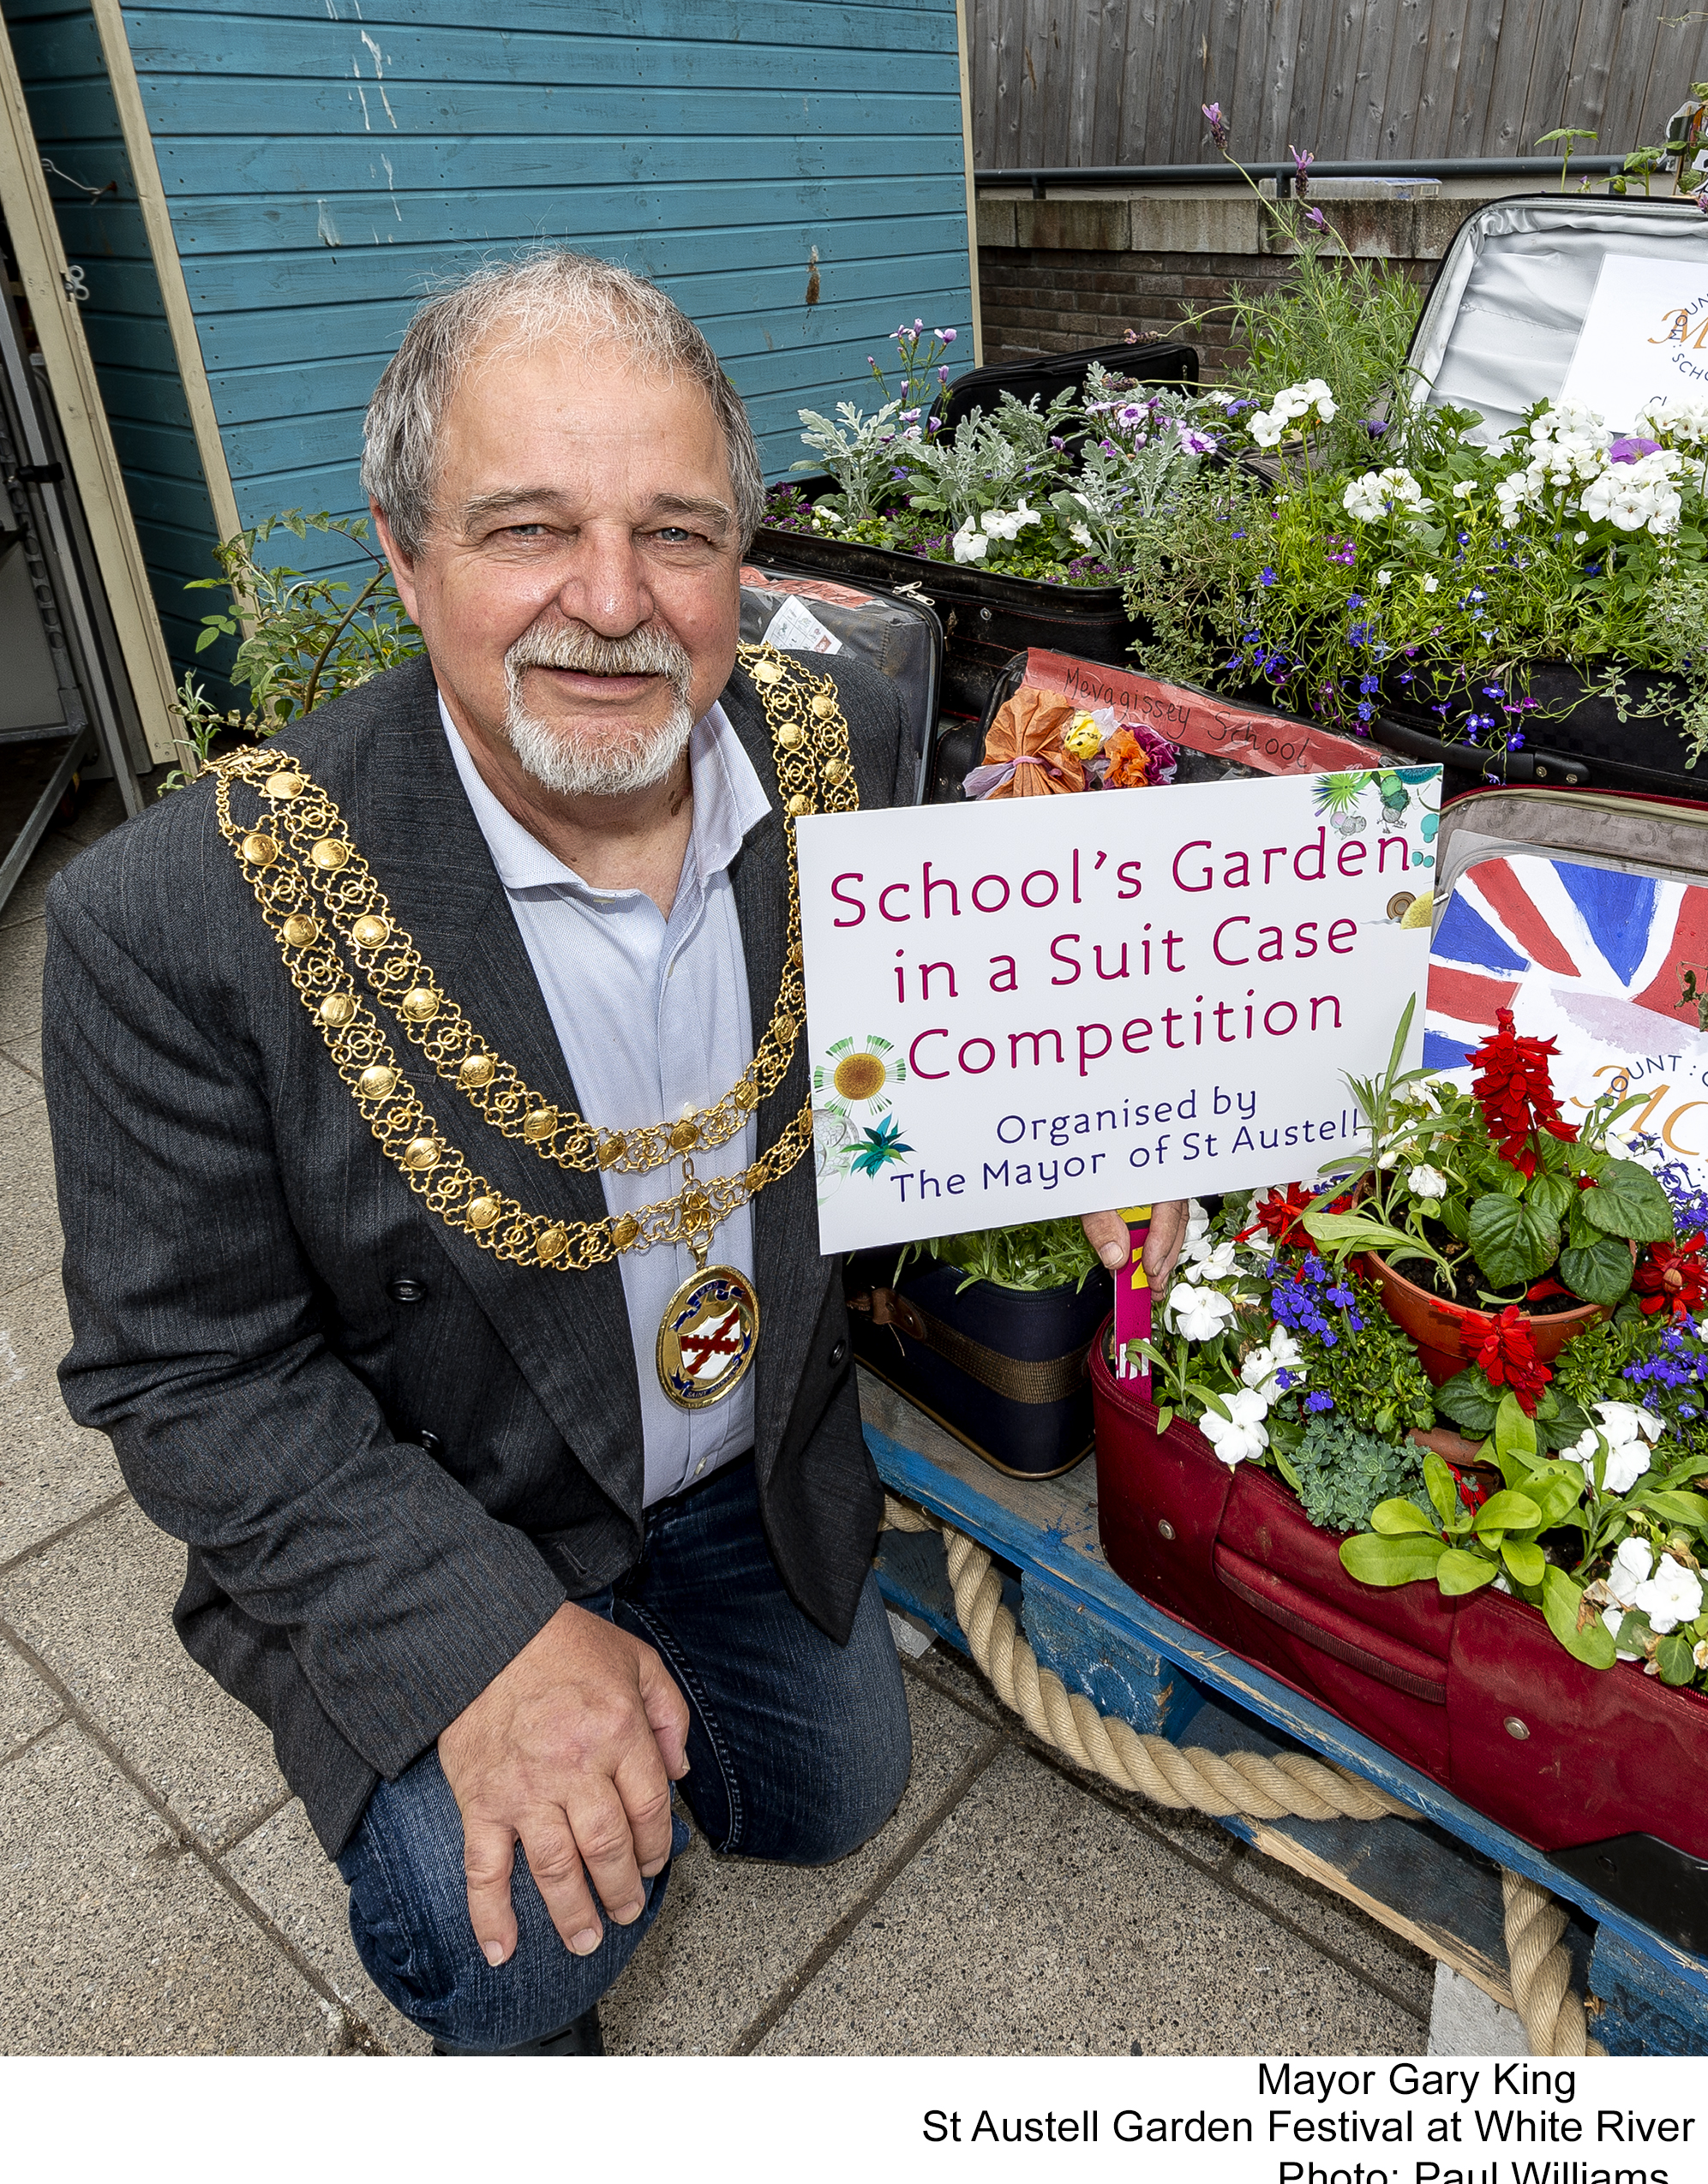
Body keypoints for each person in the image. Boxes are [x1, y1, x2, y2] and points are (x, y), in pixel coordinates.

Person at [44, 251, 1182, 2053]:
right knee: (506, 1944)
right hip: (451, 1488)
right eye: (523, 530)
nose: (611, 600)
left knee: (830, 1801)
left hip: (740, 1470)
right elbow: (183, 1370)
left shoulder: (847, 753)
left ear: (748, 557)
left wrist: (1106, 1119)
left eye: (676, 531)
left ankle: (668, 1675)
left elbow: (935, 1066)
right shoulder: (173, 917)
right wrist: (483, 1644)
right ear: (407, 558)